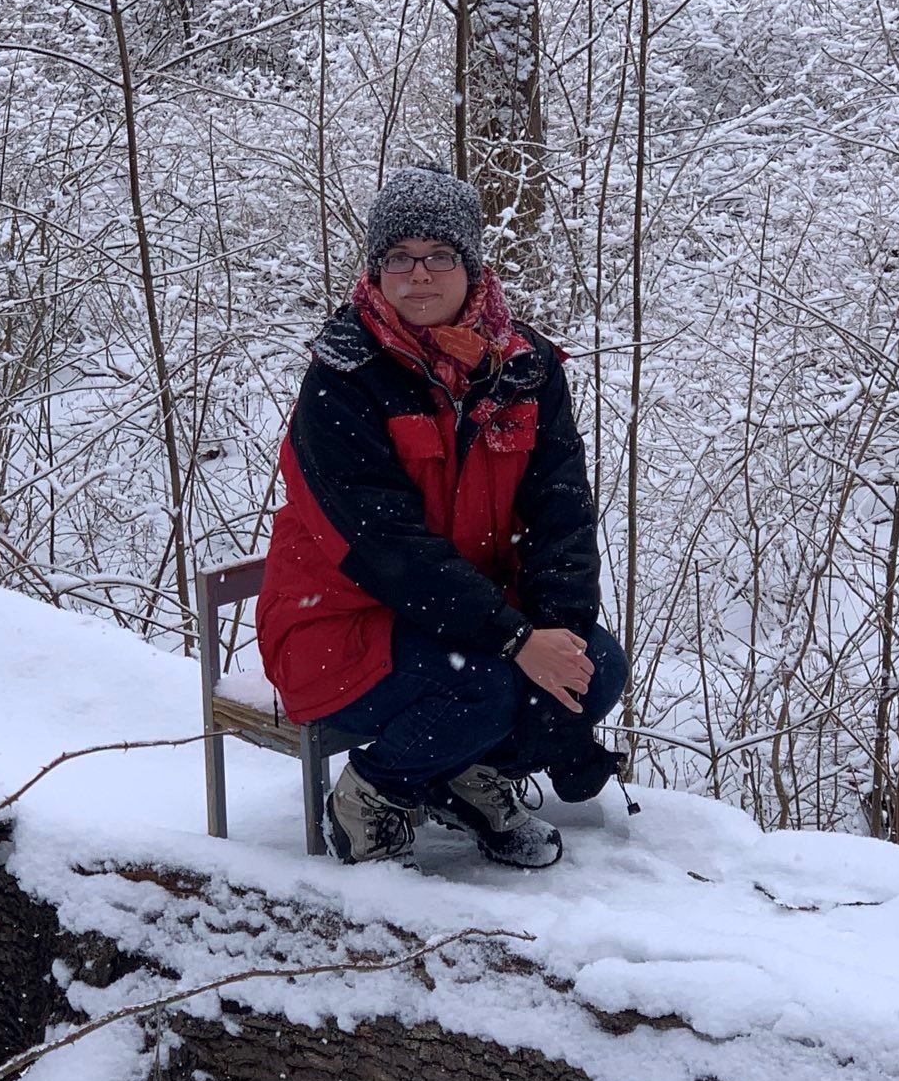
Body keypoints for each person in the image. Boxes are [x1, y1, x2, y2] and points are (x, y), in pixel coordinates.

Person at [257, 164, 628, 868]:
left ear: (471, 264)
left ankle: (465, 772)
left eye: (439, 255)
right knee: (481, 684)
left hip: (467, 615)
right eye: (398, 256)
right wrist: (516, 638)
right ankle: (374, 792)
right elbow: (384, 548)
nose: (418, 274)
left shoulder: (526, 369)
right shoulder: (342, 378)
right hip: (336, 625)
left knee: (596, 667)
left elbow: (562, 516)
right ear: (376, 268)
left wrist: (559, 632)